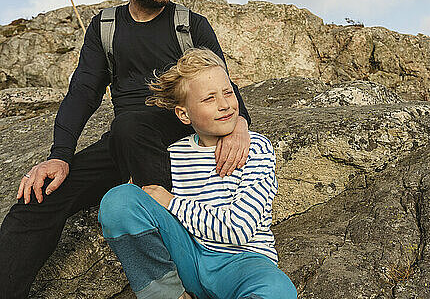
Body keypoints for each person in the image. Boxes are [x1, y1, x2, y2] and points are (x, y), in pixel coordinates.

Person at [0, 0, 251, 299]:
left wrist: (241, 125)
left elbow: (222, 85)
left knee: (131, 123)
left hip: (184, 142)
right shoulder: (105, 28)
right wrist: (59, 156)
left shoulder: (190, 25)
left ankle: (178, 274)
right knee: (36, 199)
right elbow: (83, 92)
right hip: (124, 142)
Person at [99, 48, 296, 299]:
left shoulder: (256, 148)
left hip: (242, 264)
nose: (224, 105)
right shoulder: (172, 153)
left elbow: (239, 230)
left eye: (228, 92)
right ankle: (169, 295)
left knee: (278, 290)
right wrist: (143, 199)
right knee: (119, 200)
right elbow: (142, 210)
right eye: (209, 99)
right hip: (188, 259)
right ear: (183, 114)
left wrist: (170, 202)